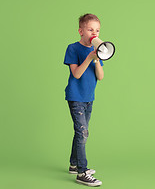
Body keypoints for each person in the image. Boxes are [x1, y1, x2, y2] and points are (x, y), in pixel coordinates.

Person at [64, 13, 104, 186]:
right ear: (81, 31)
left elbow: (100, 77)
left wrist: (97, 60)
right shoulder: (73, 48)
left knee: (82, 132)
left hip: (89, 98)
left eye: (97, 30)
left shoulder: (97, 51)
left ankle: (74, 164)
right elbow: (76, 74)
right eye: (90, 30)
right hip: (76, 97)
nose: (94, 33)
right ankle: (82, 171)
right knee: (83, 133)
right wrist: (89, 58)